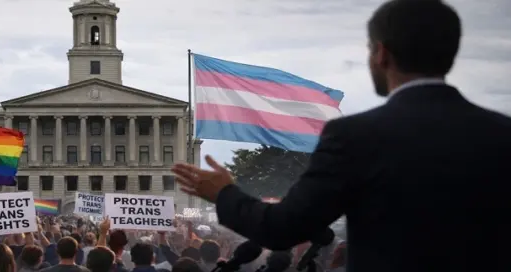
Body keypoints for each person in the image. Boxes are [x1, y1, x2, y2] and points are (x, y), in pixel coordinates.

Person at [170, 0, 511, 271]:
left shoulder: (355, 137)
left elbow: (283, 227)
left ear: (381, 53)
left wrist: (224, 193)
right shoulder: (501, 135)